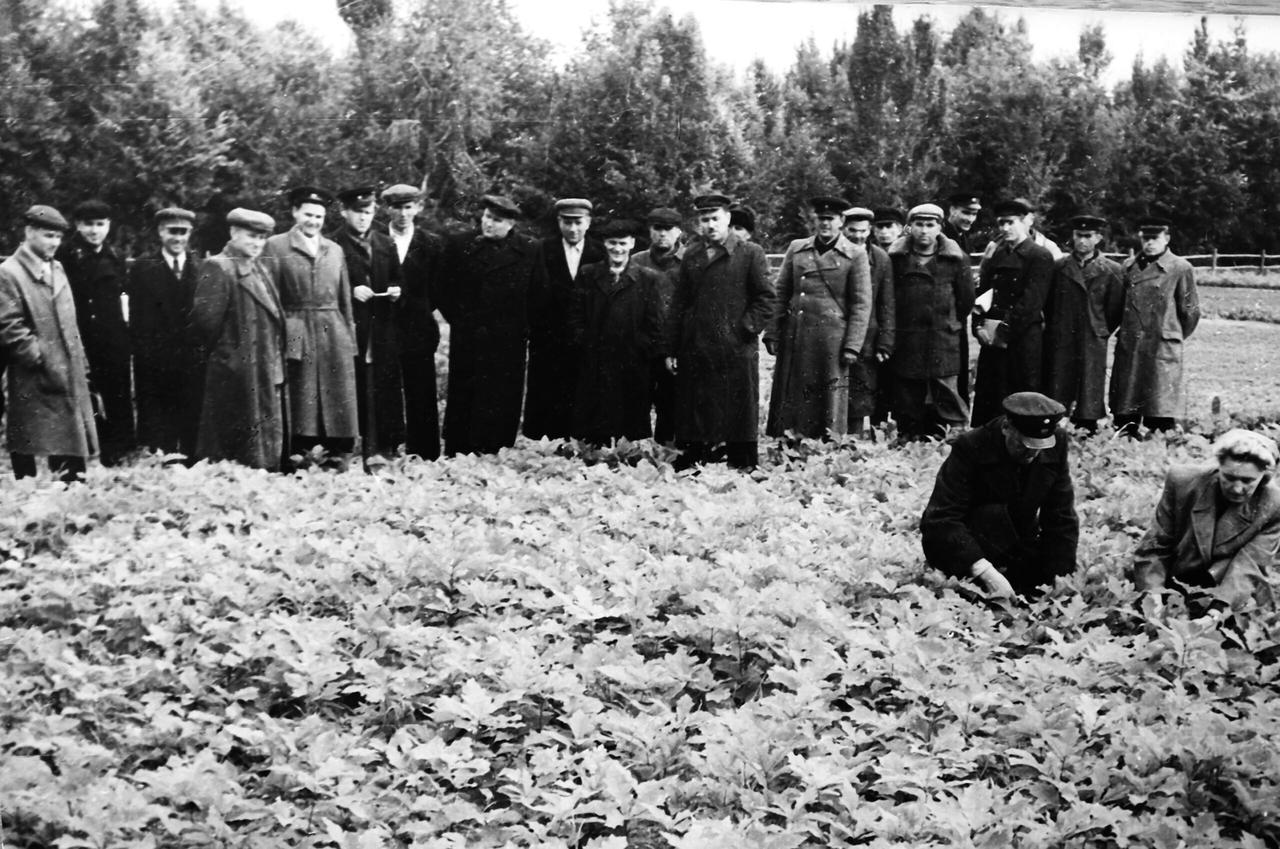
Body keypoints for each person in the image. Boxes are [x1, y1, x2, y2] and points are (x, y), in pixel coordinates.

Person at [921, 392, 1079, 598]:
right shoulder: (971, 446)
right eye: (1024, 445)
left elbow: (1061, 515)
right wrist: (984, 571)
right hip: (971, 544)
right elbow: (940, 519)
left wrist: (1060, 575)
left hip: (1020, 539)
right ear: (1006, 428)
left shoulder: (1057, 441)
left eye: (1039, 447)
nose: (1032, 454)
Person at [663, 193, 775, 469]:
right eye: (704, 220)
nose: (710, 225)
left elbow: (766, 298)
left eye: (715, 218)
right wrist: (672, 347)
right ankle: (694, 464)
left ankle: (743, 465)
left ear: (727, 218)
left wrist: (744, 330)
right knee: (696, 405)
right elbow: (680, 303)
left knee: (739, 407)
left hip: (736, 347)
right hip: (697, 345)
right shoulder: (692, 254)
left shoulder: (750, 253)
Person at [263, 186, 359, 466]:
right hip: (295, 327)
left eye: (319, 216)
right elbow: (270, 296)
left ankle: (336, 456)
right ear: (295, 213)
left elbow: (344, 297)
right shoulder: (275, 246)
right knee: (300, 392)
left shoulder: (335, 249)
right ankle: (299, 456)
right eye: (308, 215)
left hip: (332, 329)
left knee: (337, 390)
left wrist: (349, 337)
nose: (313, 221)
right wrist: (280, 337)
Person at [0, 205, 98, 482]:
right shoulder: (9, 272)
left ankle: (70, 491)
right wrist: (38, 356)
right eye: (48, 236)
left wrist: (80, 361)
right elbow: (9, 325)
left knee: (69, 439)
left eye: (57, 237)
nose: (54, 243)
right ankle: (30, 494)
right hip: (34, 374)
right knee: (31, 440)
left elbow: (70, 321)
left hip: (68, 367)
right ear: (29, 232)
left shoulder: (57, 268)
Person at [1134, 429, 1280, 612]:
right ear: (1218, 467)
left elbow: (1248, 568)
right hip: (1176, 580)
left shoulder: (1273, 504)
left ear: (1264, 476)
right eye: (1229, 477)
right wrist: (1153, 599)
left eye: (1247, 481)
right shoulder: (1182, 481)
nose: (1237, 488)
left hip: (1230, 590)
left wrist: (1216, 613)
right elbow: (1155, 546)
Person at [435, 194, 537, 456]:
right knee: (465, 392)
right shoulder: (460, 244)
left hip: (509, 339)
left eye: (497, 220)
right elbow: (443, 290)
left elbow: (539, 294)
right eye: (487, 217)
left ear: (511, 224)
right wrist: (462, 322)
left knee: (502, 394)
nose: (489, 224)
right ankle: (458, 450)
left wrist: (522, 329)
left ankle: (497, 449)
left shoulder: (530, 249)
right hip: (469, 336)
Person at [763, 197, 871, 439]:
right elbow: (781, 293)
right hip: (796, 335)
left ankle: (826, 444)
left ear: (841, 221)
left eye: (830, 219)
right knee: (791, 393)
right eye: (821, 218)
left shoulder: (855, 254)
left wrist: (852, 346)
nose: (825, 224)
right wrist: (772, 331)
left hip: (831, 341)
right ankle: (787, 442)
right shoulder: (797, 248)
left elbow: (861, 304)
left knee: (828, 396)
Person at [189, 209, 287, 470]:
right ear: (233, 233)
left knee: (259, 439)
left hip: (260, 368)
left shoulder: (259, 267)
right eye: (251, 236)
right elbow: (206, 325)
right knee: (233, 447)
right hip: (236, 372)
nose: (257, 243)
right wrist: (230, 358)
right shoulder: (219, 266)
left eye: (262, 238)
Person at [568, 219, 664, 444]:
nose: (617, 249)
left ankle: (628, 454)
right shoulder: (588, 274)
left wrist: (641, 346)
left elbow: (654, 322)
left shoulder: (648, 278)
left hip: (632, 359)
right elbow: (575, 315)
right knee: (594, 417)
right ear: (604, 244)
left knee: (630, 418)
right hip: (595, 357)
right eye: (612, 243)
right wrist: (585, 342)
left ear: (632, 243)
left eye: (622, 243)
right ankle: (594, 452)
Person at [885, 204, 974, 440]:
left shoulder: (956, 259)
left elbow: (965, 301)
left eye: (930, 225)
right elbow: (889, 297)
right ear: (909, 227)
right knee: (907, 394)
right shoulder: (896, 259)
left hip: (942, 338)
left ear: (940, 228)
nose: (924, 230)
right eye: (919, 224)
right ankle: (908, 440)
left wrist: (948, 322)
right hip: (908, 337)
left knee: (947, 391)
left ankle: (956, 437)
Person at [330, 185, 405, 456]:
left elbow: (397, 278)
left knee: (384, 386)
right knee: (353, 385)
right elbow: (326, 287)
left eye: (368, 212)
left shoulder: (385, 243)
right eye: (357, 212)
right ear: (344, 212)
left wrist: (396, 291)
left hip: (381, 328)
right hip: (352, 327)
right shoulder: (333, 244)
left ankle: (386, 446)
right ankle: (349, 446)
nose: (363, 218)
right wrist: (351, 290)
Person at [58, 198, 135, 465]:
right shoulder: (65, 256)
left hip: (113, 339)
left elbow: (122, 296)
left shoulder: (115, 256)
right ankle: (92, 450)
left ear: (108, 225)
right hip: (82, 337)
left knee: (118, 395)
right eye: (88, 224)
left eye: (100, 224)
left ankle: (121, 450)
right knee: (86, 398)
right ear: (78, 225)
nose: (94, 231)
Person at [1110, 214, 1200, 436]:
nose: (1149, 243)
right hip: (1132, 343)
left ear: (1166, 238)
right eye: (1145, 238)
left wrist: (1171, 334)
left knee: (1159, 404)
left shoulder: (1180, 268)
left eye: (1155, 238)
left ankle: (1159, 441)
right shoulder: (1128, 266)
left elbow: (1190, 312)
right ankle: (1126, 440)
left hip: (1161, 345)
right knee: (1127, 401)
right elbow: (1119, 306)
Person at [970, 198, 1056, 426]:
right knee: (991, 396)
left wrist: (1004, 332)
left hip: (1021, 338)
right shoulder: (996, 255)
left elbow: (1031, 301)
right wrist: (978, 326)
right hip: (992, 338)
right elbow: (983, 293)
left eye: (1010, 222)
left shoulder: (1039, 256)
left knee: (1021, 396)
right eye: (1001, 223)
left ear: (1025, 222)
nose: (1005, 228)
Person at [525, 198, 605, 440]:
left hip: (585, 337)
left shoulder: (600, 253)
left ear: (588, 222)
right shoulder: (541, 249)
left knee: (582, 390)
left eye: (578, 222)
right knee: (546, 391)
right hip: (548, 338)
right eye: (567, 222)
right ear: (558, 222)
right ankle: (543, 444)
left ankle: (580, 441)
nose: (573, 229)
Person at [127, 206, 200, 456]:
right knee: (158, 420)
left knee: (190, 415)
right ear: (160, 232)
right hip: (155, 358)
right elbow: (137, 318)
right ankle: (159, 456)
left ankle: (191, 459)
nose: (178, 238)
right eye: (172, 231)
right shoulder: (143, 268)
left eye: (183, 232)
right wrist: (145, 353)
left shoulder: (201, 268)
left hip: (190, 359)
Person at [1041, 214, 1124, 432]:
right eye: (1078, 235)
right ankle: (1056, 423)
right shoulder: (1059, 267)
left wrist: (1099, 328)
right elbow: (1049, 304)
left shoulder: (1112, 270)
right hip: (1062, 334)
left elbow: (1114, 309)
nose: (1082, 241)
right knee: (1059, 379)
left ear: (1098, 238)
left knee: (1090, 382)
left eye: (1088, 236)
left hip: (1092, 336)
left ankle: (1087, 425)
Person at [382, 183, 443, 460]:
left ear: (418, 208)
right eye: (397, 208)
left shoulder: (433, 243)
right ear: (387, 209)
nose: (403, 214)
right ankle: (388, 448)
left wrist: (420, 309)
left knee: (422, 390)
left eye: (408, 207)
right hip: (384, 328)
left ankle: (425, 452)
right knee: (386, 391)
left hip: (419, 329)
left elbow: (440, 287)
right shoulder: (375, 241)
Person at [631, 207, 684, 444]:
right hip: (642, 346)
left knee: (672, 403)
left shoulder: (691, 261)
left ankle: (668, 450)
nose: (663, 234)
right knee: (637, 400)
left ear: (679, 231)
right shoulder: (636, 261)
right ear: (649, 231)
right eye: (657, 228)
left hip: (676, 347)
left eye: (668, 229)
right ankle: (635, 451)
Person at [841, 206, 895, 432]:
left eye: (863, 231)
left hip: (867, 337)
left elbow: (887, 302)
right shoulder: (837, 254)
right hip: (838, 330)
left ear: (870, 230)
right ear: (843, 229)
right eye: (852, 230)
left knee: (861, 390)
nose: (858, 236)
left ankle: (856, 436)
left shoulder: (880, 258)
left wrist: (885, 341)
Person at [942, 191, 981, 256]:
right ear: (953, 210)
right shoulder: (941, 235)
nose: (970, 219)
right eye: (966, 213)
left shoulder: (964, 238)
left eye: (974, 214)